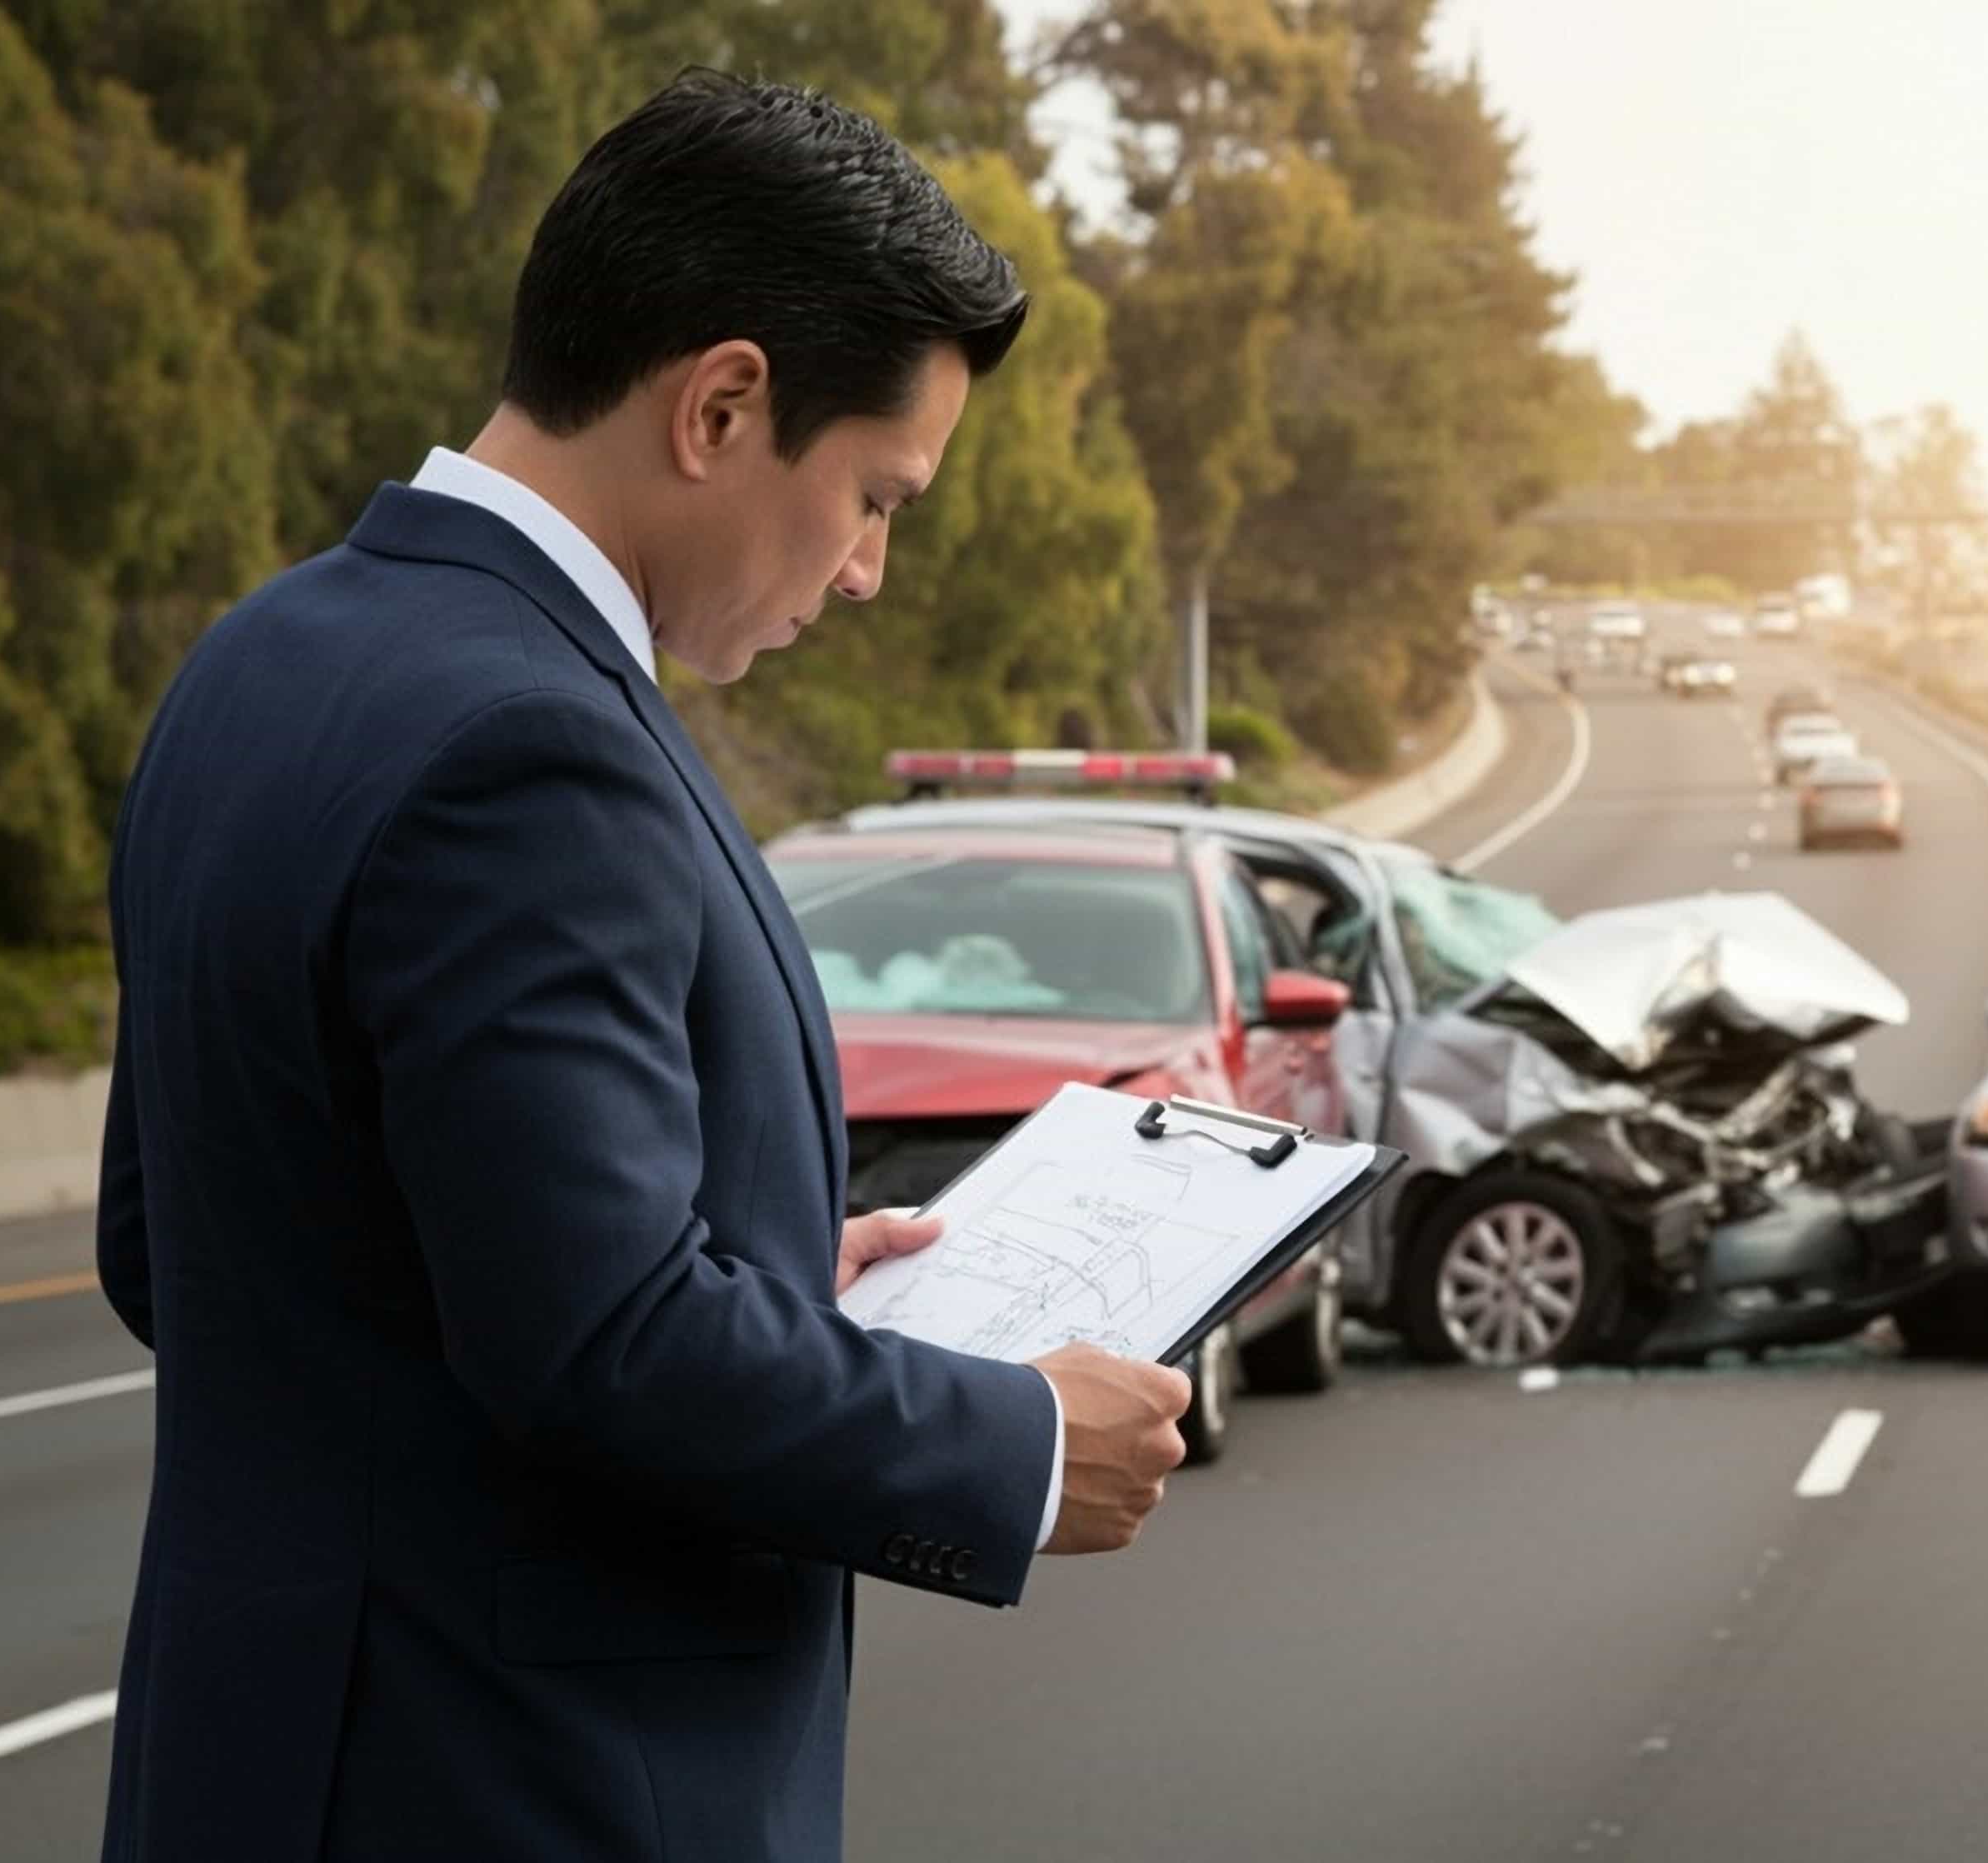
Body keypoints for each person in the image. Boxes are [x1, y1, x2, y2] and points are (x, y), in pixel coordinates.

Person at [93, 70, 1189, 1862]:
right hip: (518, 1785)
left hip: (257, 1769)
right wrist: (1018, 1441)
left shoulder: (261, 658)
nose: (867, 572)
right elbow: (601, 1339)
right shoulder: (536, 745)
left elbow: (181, 1239)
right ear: (724, 403)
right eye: (874, 493)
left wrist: (748, 1263)